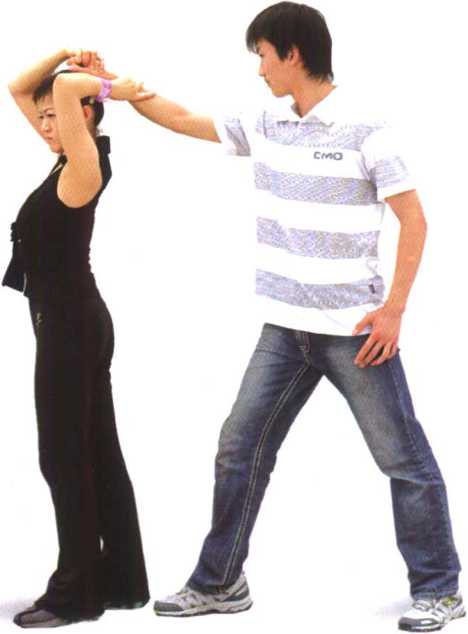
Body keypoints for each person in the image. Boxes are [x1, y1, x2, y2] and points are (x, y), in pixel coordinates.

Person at [85, 3, 463, 631]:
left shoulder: (367, 127)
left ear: (292, 53)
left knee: (403, 460)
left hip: (353, 333)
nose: (259, 69)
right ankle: (220, 582)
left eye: (262, 55)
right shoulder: (267, 122)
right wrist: (113, 89)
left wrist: (393, 311)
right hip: (285, 329)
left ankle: (439, 588)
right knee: (240, 446)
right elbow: (179, 118)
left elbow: (415, 220)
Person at [3, 49, 152, 628]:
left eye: (55, 116)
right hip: (75, 323)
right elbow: (19, 88)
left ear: (86, 113)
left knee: (63, 458)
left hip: (70, 327)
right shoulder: (67, 158)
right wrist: (66, 52)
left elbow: (65, 91)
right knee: (96, 452)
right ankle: (121, 580)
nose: (44, 125)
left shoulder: (85, 167)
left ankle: (76, 594)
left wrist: (109, 86)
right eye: (42, 118)